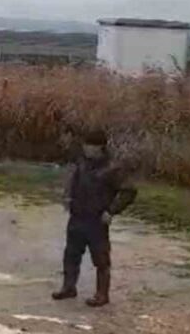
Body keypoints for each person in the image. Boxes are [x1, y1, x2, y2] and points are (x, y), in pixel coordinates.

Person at [52, 129, 137, 307]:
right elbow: (72, 181)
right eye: (85, 146)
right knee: (71, 254)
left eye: (90, 146)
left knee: (100, 258)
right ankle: (68, 287)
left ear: (100, 148)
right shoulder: (82, 163)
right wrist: (67, 197)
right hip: (77, 216)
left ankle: (102, 294)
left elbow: (128, 191)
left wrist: (111, 211)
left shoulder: (113, 168)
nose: (87, 149)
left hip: (97, 219)